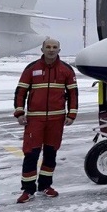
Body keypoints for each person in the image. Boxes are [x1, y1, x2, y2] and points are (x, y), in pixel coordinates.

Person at [13, 38, 78, 203]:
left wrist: (71, 114)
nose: (51, 50)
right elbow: (21, 91)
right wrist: (20, 112)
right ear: (42, 49)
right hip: (35, 120)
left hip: (56, 120)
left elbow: (73, 94)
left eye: (54, 47)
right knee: (31, 154)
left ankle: (45, 186)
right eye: (48, 47)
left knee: (50, 153)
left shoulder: (66, 70)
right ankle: (28, 190)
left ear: (59, 50)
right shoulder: (31, 68)